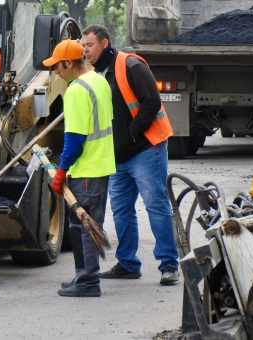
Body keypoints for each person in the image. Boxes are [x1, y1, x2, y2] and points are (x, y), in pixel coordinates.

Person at [80, 25, 180, 286]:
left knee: (156, 206)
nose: (85, 50)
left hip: (146, 149)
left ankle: (169, 265)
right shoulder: (94, 73)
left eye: (89, 45)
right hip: (118, 155)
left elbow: (152, 102)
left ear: (104, 42)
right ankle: (127, 263)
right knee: (122, 210)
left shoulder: (130, 64)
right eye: (83, 46)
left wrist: (133, 135)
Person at [42, 39, 116, 297]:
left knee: (85, 227)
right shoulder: (99, 81)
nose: (56, 73)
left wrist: (61, 170)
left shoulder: (75, 91)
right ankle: (82, 276)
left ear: (68, 63)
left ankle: (88, 282)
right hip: (101, 165)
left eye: (57, 67)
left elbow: (74, 139)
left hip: (86, 169)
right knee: (83, 224)